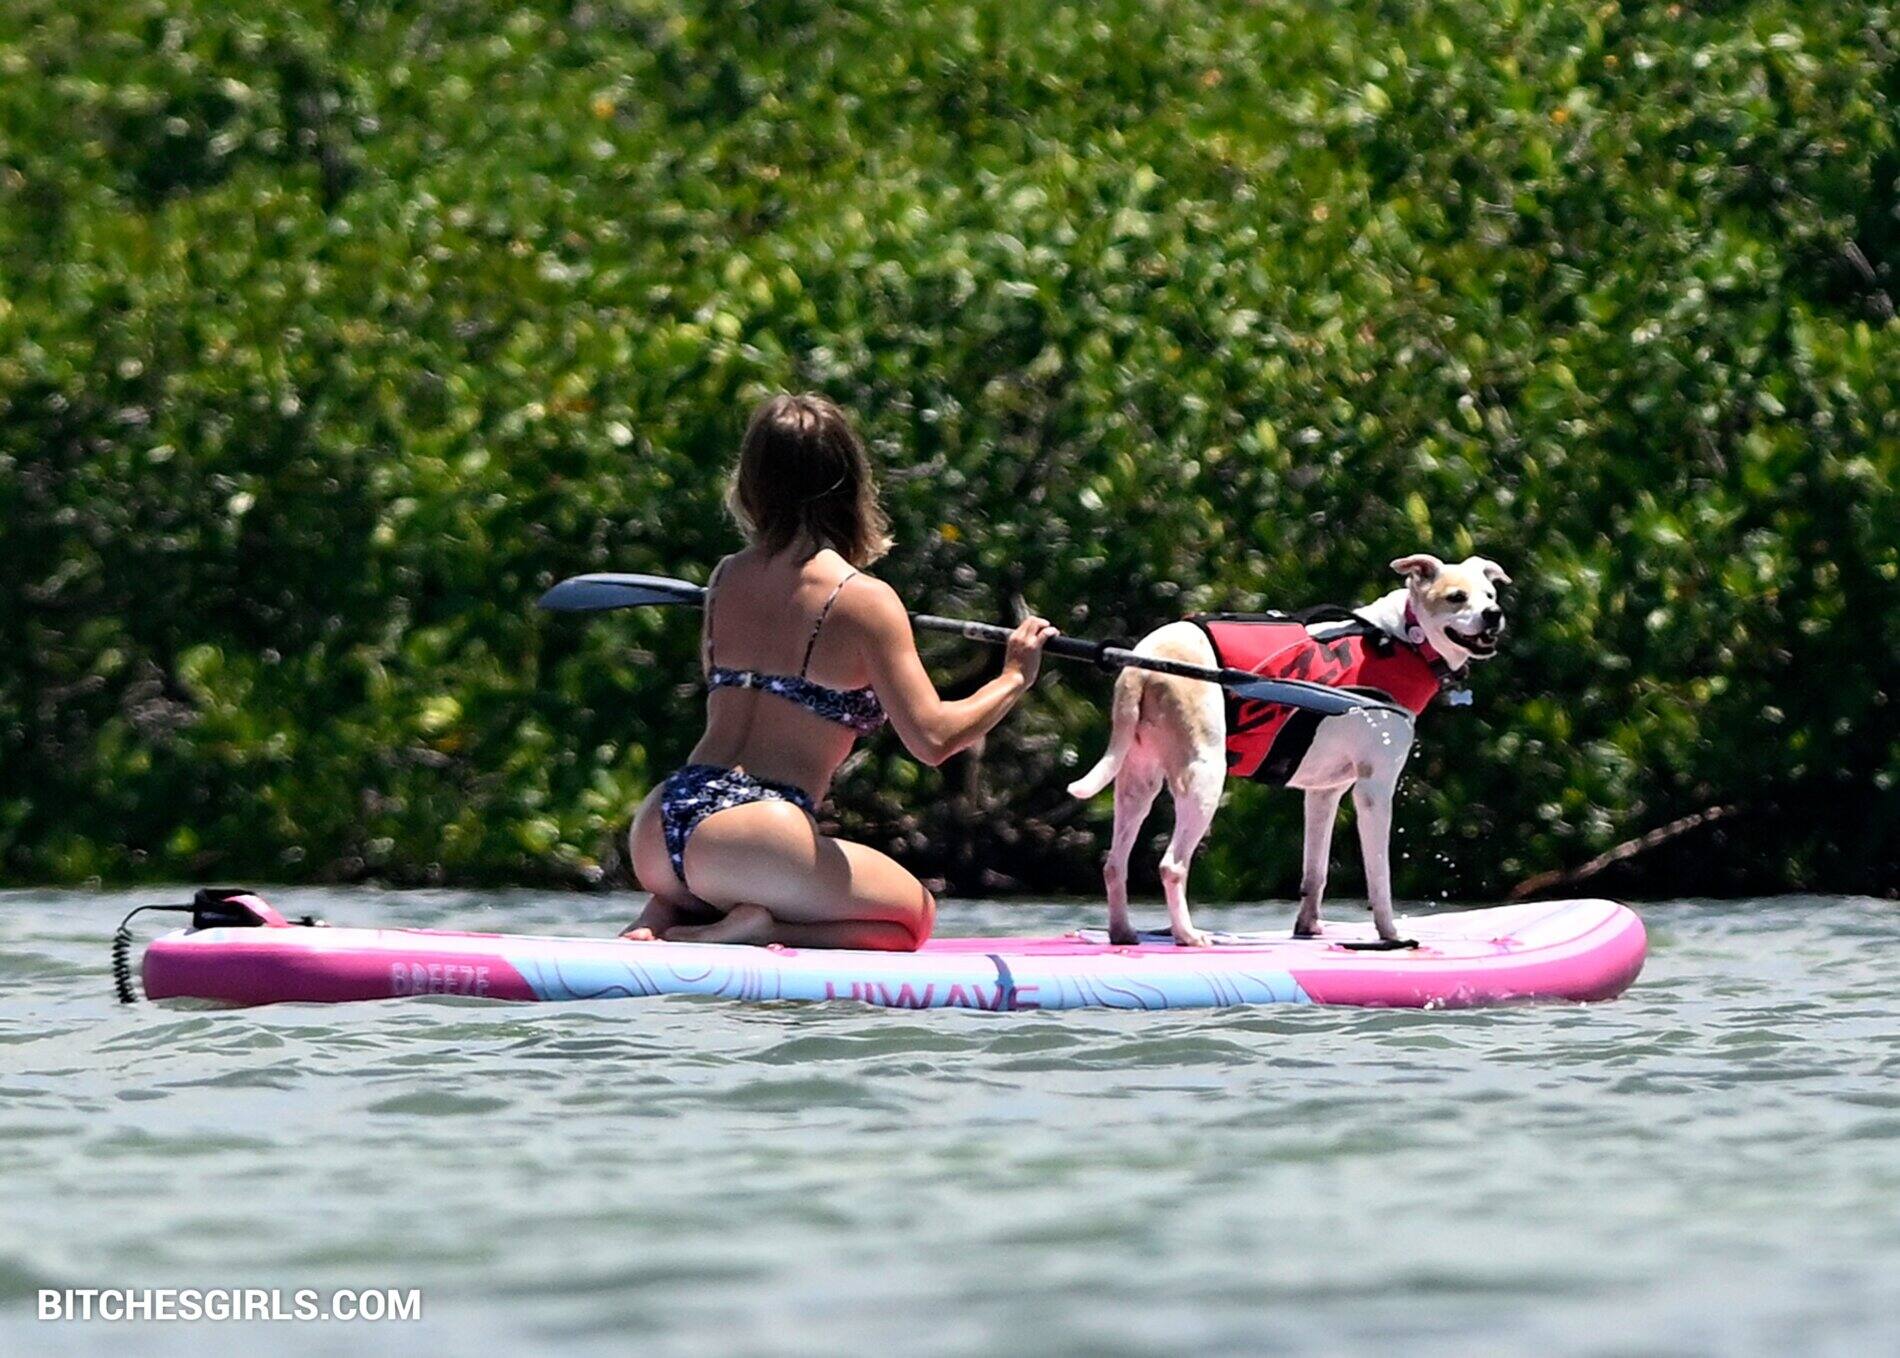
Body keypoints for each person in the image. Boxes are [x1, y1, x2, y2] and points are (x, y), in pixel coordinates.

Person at [622, 394, 1056, 950]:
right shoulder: (864, 600)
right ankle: (762, 927)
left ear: (751, 484)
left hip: (661, 824)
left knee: (730, 861)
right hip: (756, 835)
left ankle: (668, 908)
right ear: (851, 484)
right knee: (912, 920)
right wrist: (1013, 677)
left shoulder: (725, 578)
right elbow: (933, 739)